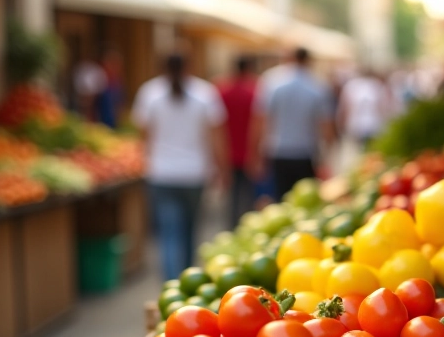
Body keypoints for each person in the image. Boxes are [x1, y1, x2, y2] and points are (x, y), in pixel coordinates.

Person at [133, 53, 231, 281]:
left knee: (168, 233)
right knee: (190, 231)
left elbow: (144, 136)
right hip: (194, 173)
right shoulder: (205, 93)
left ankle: (170, 283)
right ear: (190, 65)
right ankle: (187, 279)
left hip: (161, 173)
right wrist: (223, 169)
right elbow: (217, 137)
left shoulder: (150, 93)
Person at [248, 47, 335, 200]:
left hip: (277, 151)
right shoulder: (317, 84)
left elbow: (261, 120)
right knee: (304, 201)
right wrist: (326, 158)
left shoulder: (272, 81)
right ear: (308, 61)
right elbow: (326, 126)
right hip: (306, 152)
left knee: (280, 200)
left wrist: (254, 153)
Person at [215, 56, 257, 229]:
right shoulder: (255, 91)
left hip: (227, 152)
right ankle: (245, 228)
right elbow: (258, 125)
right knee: (248, 196)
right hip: (249, 152)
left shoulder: (221, 90)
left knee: (231, 197)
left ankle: (232, 227)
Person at [93, 48, 124, 128]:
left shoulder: (117, 82)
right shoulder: (99, 81)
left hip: (114, 125)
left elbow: (119, 105)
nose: (115, 67)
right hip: (100, 125)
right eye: (112, 64)